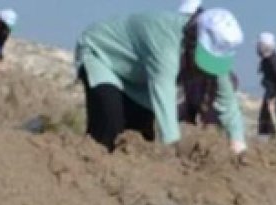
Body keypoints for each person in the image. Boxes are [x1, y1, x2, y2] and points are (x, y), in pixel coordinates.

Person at [74, 8, 247, 156]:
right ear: (193, 38)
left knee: (138, 141)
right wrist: (173, 154)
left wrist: (238, 145)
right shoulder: (165, 44)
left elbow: (228, 101)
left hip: (137, 76)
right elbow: (164, 95)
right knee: (110, 123)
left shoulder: (219, 52)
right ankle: (86, 172)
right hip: (102, 56)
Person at [256, 32, 276, 138]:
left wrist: (274, 99)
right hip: (270, 95)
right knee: (265, 126)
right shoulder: (267, 60)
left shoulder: (272, 61)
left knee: (273, 126)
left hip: (274, 98)